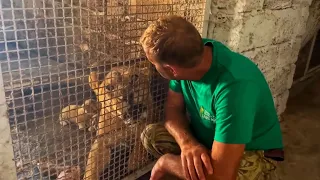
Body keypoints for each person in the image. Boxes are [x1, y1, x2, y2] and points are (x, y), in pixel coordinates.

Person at [139, 15, 284, 180]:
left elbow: (222, 177)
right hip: (208, 140)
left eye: (153, 64)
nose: (152, 67)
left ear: (172, 70)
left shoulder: (234, 88)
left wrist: (166, 163)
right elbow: (173, 108)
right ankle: (200, 168)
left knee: (219, 176)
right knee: (151, 136)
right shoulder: (190, 54)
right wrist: (188, 144)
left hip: (252, 150)